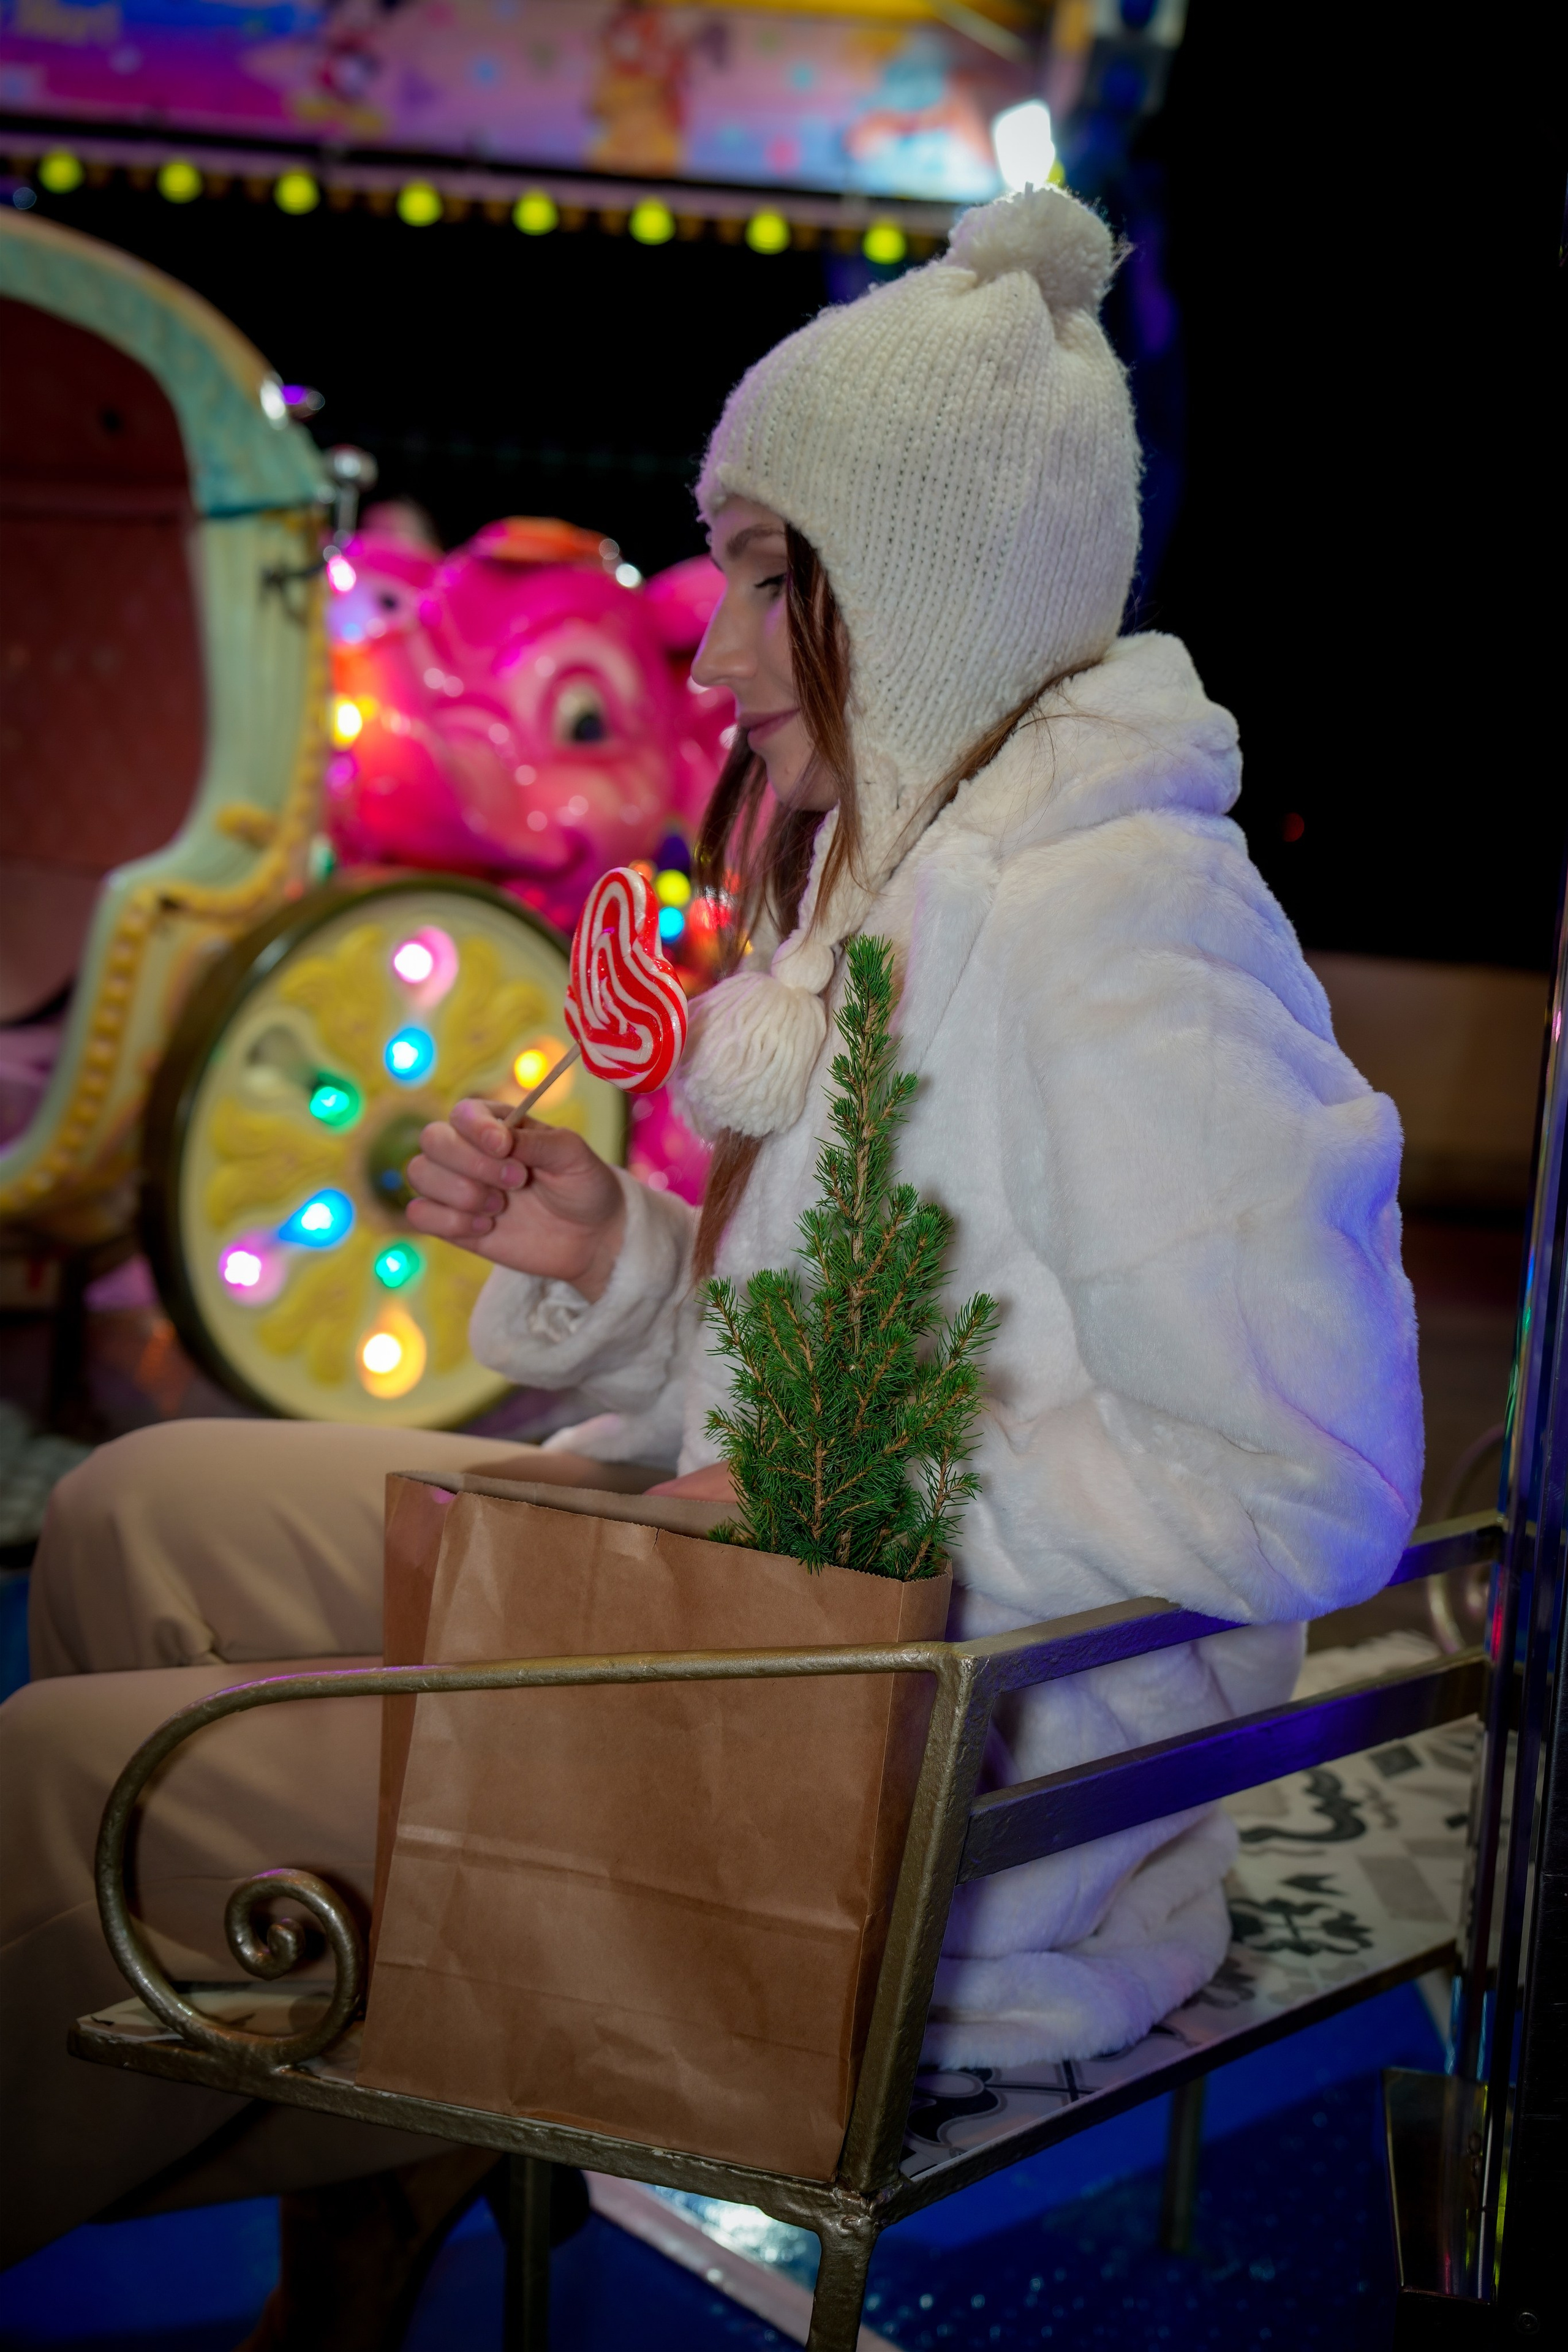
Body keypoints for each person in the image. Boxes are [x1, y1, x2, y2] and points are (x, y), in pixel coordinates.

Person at [0, 184, 1422, 2332]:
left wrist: (859, 1507)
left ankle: (390, 2126)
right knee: (139, 1506)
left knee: (56, 1795)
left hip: (947, 1812)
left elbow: (1311, 1484)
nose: (708, 643)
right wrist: (632, 1267)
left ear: (930, 591)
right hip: (792, 1650)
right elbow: (820, 1374)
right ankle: (373, 2228)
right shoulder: (880, 873)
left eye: (772, 574)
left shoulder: (1124, 927)